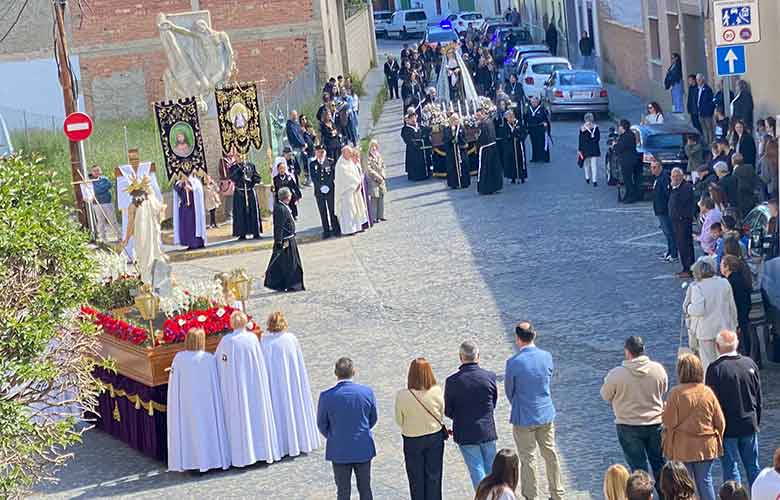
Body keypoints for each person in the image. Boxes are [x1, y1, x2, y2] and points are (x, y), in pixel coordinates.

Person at [505, 322, 565, 500]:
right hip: (545, 413)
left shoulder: (513, 362)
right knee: (550, 454)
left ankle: (531, 496)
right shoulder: (546, 356)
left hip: (524, 416)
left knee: (528, 458)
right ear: (534, 335)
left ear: (517, 339)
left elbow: (510, 391)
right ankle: (557, 493)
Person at [215, 311, 281, 467]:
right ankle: (262, 452)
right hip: (254, 386)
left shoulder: (227, 341)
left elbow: (220, 361)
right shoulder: (252, 338)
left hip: (236, 387)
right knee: (257, 417)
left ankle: (242, 457)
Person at [600, 336, 668, 486]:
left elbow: (605, 395)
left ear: (627, 352)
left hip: (628, 425)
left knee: (638, 470)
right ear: (643, 350)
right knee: (660, 465)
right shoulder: (658, 369)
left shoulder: (616, 374)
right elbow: (663, 389)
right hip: (655, 423)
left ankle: (643, 495)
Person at [662, 353, 725, 500]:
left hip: (683, 446)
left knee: (685, 483)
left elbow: (669, 422)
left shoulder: (676, 393)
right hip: (706, 445)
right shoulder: (707, 392)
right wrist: (717, 437)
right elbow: (720, 421)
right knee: (705, 481)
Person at [166, 327, 230, 473]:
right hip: (207, 403)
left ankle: (191, 462)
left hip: (187, 404)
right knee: (208, 429)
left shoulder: (179, 358)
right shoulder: (208, 358)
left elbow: (174, 383)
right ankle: (212, 460)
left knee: (189, 431)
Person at [705, 329, 762, 488]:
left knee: (731, 470)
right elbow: (758, 397)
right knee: (753, 467)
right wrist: (756, 421)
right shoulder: (750, 364)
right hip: (749, 424)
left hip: (727, 428)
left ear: (717, 346)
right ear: (737, 344)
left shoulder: (714, 369)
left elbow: (711, 404)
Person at [260, 311, 320, 458]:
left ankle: (282, 445)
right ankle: (300, 440)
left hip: (274, 385)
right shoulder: (291, 339)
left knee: (278, 411)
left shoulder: (265, 342)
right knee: (295, 407)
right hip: (292, 383)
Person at [317, 357, 378, 500]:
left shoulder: (326, 396)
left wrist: (334, 436)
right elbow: (373, 418)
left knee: (343, 492)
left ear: (335, 373)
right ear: (354, 372)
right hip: (362, 447)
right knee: (365, 489)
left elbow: (321, 424)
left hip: (339, 450)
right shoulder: (366, 392)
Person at [444, 340, 497, 490]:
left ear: (461, 357)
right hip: (487, 429)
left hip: (465, 432)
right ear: (478, 356)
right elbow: (493, 403)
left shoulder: (452, 381)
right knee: (492, 470)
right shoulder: (490, 376)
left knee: (476, 470)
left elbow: (448, 410)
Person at [394, 358, 445, 500]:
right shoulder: (437, 391)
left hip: (412, 439)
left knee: (415, 478)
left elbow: (399, 420)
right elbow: (441, 413)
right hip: (434, 436)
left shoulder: (402, 395)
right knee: (434, 476)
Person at [684, 258, 738, 371]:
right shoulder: (724, 283)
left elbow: (698, 310)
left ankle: (711, 385)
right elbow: (732, 307)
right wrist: (735, 324)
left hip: (705, 331)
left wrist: (688, 308)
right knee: (725, 360)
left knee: (708, 363)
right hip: (724, 328)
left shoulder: (697, 287)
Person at [116, 148, 163, 260]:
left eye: (136, 158)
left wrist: (126, 240)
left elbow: (130, 225)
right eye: (131, 159)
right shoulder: (146, 203)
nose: (134, 161)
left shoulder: (138, 205)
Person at [118, 176, 166, 284]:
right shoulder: (152, 201)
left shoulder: (132, 207)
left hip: (142, 238)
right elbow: (161, 213)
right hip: (153, 236)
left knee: (145, 261)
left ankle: (148, 285)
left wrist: (126, 239)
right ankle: (160, 286)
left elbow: (130, 225)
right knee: (156, 256)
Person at [264, 187, 305, 292]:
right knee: (290, 264)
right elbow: (279, 226)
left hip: (290, 238)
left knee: (289, 263)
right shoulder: (281, 209)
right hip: (286, 241)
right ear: (287, 197)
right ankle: (292, 284)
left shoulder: (283, 206)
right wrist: (278, 242)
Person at [720, 256, 756, 357]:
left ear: (727, 267)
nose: (720, 267)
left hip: (738, 317)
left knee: (741, 343)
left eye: (722, 265)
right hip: (743, 315)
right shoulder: (739, 278)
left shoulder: (730, 282)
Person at [334, 146, 369, 235]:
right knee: (349, 212)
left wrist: (359, 183)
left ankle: (357, 227)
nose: (351, 155)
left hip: (354, 191)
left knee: (356, 209)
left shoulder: (349, 162)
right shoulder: (340, 165)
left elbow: (355, 173)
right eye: (349, 153)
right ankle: (349, 230)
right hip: (346, 192)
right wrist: (356, 183)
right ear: (344, 153)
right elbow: (347, 177)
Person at [669, 168, 695, 278]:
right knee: (681, 245)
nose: (674, 178)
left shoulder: (686, 188)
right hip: (677, 221)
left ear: (681, 176)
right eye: (673, 176)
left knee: (685, 245)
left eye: (676, 176)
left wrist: (680, 216)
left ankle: (689, 269)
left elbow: (682, 203)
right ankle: (685, 267)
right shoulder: (675, 187)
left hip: (683, 221)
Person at [229, 155, 262, 240]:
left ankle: (256, 232)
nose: (240, 158)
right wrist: (239, 171)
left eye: (241, 156)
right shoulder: (233, 167)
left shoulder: (251, 165)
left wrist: (254, 180)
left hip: (250, 191)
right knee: (240, 213)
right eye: (238, 156)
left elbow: (256, 176)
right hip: (240, 192)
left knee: (253, 211)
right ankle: (242, 233)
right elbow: (232, 178)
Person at [310, 145, 340, 238]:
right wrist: (320, 187)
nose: (320, 154)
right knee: (323, 211)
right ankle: (326, 231)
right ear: (316, 153)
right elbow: (314, 178)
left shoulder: (330, 162)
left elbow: (332, 175)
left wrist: (328, 186)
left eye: (322, 152)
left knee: (332, 210)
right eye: (318, 152)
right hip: (319, 192)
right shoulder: (313, 164)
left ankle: (335, 229)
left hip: (330, 190)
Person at [172, 173, 207, 250]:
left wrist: (191, 188)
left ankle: (198, 242)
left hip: (194, 209)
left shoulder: (195, 182)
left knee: (195, 225)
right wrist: (181, 185)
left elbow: (198, 192)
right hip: (185, 208)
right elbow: (177, 192)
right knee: (187, 226)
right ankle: (190, 243)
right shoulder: (179, 183)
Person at [651, 160, 678, 262]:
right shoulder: (659, 178)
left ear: (660, 167)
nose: (652, 170)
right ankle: (670, 251)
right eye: (652, 167)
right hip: (660, 210)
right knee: (667, 233)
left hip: (664, 210)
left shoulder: (664, 178)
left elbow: (668, 194)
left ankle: (674, 253)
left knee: (670, 232)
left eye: (655, 167)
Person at [476, 108, 504, 195]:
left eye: (479, 115)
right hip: (493, 146)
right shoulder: (489, 121)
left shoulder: (483, 124)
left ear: (483, 114)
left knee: (485, 168)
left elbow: (481, 137)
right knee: (493, 168)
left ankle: (485, 187)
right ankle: (495, 186)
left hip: (485, 148)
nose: (478, 117)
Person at [88, 165, 119, 242]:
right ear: (92, 172)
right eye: (94, 171)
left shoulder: (104, 179)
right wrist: (98, 189)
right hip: (97, 204)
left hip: (107, 203)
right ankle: (103, 238)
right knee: (100, 221)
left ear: (100, 171)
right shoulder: (89, 181)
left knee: (113, 220)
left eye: (98, 170)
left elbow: (108, 185)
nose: (96, 172)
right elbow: (93, 191)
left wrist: (97, 190)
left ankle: (119, 236)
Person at [442, 113, 471, 189]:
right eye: (453, 120)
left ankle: (464, 182)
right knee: (452, 167)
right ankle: (454, 183)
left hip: (461, 151)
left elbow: (464, 139)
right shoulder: (446, 129)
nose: (455, 121)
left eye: (456, 119)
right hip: (452, 152)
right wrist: (451, 138)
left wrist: (459, 140)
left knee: (463, 165)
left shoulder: (461, 128)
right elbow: (445, 140)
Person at [615, 120, 640, 203]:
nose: (618, 128)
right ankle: (628, 195)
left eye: (619, 126)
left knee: (627, 179)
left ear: (623, 127)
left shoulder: (626, 136)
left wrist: (615, 145)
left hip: (627, 160)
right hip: (631, 159)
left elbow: (620, 148)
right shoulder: (629, 134)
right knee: (628, 179)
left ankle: (631, 196)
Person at [402, 110, 430, 181]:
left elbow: (427, 131)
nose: (413, 119)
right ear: (407, 120)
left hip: (422, 148)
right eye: (411, 118)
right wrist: (417, 143)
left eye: (414, 117)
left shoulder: (420, 126)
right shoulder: (405, 129)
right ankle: (416, 176)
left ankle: (426, 173)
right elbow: (408, 140)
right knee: (415, 162)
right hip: (413, 150)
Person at [364, 139, 388, 224]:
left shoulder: (379, 155)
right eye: (372, 146)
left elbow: (383, 165)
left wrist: (383, 175)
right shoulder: (368, 157)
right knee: (374, 198)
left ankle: (381, 215)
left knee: (381, 196)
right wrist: (377, 177)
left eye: (375, 146)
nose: (374, 148)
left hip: (381, 178)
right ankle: (374, 217)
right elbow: (369, 169)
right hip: (374, 180)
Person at [502, 110, 528, 184]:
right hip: (510, 146)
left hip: (519, 146)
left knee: (520, 161)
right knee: (512, 162)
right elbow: (504, 135)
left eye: (509, 117)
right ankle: (513, 177)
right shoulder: (506, 125)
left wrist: (519, 137)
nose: (508, 119)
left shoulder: (519, 123)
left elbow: (524, 133)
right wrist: (509, 136)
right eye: (507, 118)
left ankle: (522, 176)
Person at [525, 96, 551, 163]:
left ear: (538, 102)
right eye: (532, 102)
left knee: (542, 143)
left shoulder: (542, 109)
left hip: (540, 128)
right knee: (534, 143)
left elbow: (546, 119)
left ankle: (545, 158)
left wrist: (547, 128)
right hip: (532, 128)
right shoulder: (528, 109)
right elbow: (526, 118)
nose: (534, 103)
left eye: (535, 102)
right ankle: (535, 158)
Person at [578, 113, 601, 186]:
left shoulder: (582, 128)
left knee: (586, 164)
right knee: (594, 165)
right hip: (594, 148)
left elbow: (581, 140)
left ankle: (587, 177)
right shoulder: (596, 127)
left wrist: (579, 149)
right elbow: (598, 139)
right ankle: (595, 180)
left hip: (585, 149)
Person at [696, 74, 716, 147]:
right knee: (704, 129)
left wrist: (709, 110)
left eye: (699, 80)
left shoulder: (707, 89)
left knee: (709, 128)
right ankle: (706, 142)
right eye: (697, 80)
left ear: (703, 79)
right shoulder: (697, 89)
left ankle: (711, 143)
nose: (698, 81)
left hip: (707, 113)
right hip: (700, 112)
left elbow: (712, 102)